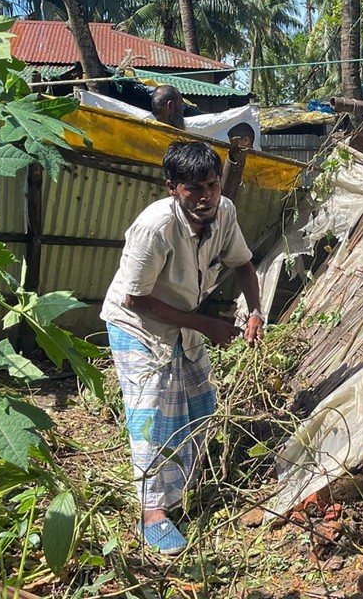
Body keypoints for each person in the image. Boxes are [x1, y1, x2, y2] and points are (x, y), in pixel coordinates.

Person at [101, 141, 264, 555]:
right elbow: (135, 299)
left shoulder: (223, 212)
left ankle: (182, 490)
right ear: (172, 186)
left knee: (199, 402)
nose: (204, 195)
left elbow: (242, 263)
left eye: (210, 184)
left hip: (182, 322)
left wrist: (256, 311)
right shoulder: (154, 227)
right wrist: (207, 324)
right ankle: (151, 512)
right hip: (137, 325)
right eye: (193, 188)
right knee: (150, 414)